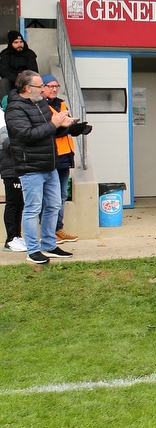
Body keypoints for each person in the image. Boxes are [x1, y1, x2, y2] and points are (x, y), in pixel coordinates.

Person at [6, 70, 77, 265]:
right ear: (28, 88)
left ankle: (49, 244)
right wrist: (54, 123)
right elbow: (27, 135)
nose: (44, 89)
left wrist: (66, 126)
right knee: (32, 209)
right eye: (40, 86)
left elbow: (50, 132)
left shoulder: (40, 105)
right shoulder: (14, 109)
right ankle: (33, 250)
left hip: (50, 164)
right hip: (30, 167)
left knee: (53, 205)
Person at [41, 74, 90, 245]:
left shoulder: (61, 103)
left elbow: (65, 125)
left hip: (65, 154)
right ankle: (49, 232)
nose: (54, 89)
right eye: (50, 86)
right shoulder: (41, 106)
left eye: (56, 86)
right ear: (42, 88)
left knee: (62, 195)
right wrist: (66, 128)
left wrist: (74, 129)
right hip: (52, 154)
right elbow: (51, 128)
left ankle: (58, 228)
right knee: (51, 197)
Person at [0, 107, 25, 252]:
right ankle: (10, 239)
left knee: (19, 203)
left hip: (18, 168)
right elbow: (8, 145)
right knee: (12, 203)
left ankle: (17, 236)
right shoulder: (4, 123)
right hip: (10, 169)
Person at [0, 32, 38, 100]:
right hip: (12, 81)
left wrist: (23, 78)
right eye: (16, 42)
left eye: (21, 42)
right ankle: (5, 105)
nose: (19, 44)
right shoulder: (5, 54)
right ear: (11, 43)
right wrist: (17, 78)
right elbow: (4, 71)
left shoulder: (29, 54)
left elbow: (33, 71)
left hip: (27, 81)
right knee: (4, 82)